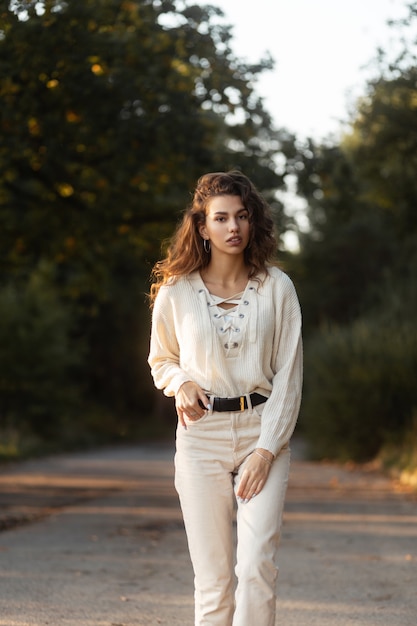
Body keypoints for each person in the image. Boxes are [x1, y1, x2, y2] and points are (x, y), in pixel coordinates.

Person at [148, 170, 303, 626]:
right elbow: (161, 359)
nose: (232, 227)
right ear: (202, 227)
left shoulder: (278, 289)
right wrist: (182, 383)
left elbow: (289, 378)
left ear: (253, 222)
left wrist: (266, 450)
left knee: (256, 567)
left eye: (242, 216)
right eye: (221, 218)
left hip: (262, 432)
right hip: (201, 438)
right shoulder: (177, 291)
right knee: (213, 581)